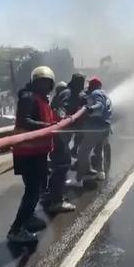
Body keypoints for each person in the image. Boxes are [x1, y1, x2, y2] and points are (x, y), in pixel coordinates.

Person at [7, 66, 57, 244]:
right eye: (40, 82)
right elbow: (24, 120)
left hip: (37, 152)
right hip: (28, 153)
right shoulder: (28, 97)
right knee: (32, 192)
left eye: (47, 82)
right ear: (35, 82)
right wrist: (47, 127)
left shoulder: (42, 100)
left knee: (35, 190)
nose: (44, 85)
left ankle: (28, 218)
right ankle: (16, 229)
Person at [44, 80, 77, 214]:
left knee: (57, 165)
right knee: (63, 164)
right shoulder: (65, 97)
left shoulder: (54, 100)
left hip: (55, 137)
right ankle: (56, 201)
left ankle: (52, 194)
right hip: (58, 136)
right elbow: (61, 114)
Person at [72, 77, 112, 186]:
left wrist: (91, 109)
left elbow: (100, 105)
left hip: (95, 127)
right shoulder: (105, 94)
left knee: (83, 152)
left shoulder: (96, 93)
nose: (88, 86)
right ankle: (100, 172)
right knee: (99, 151)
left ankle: (82, 175)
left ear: (94, 85)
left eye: (90, 84)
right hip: (105, 128)